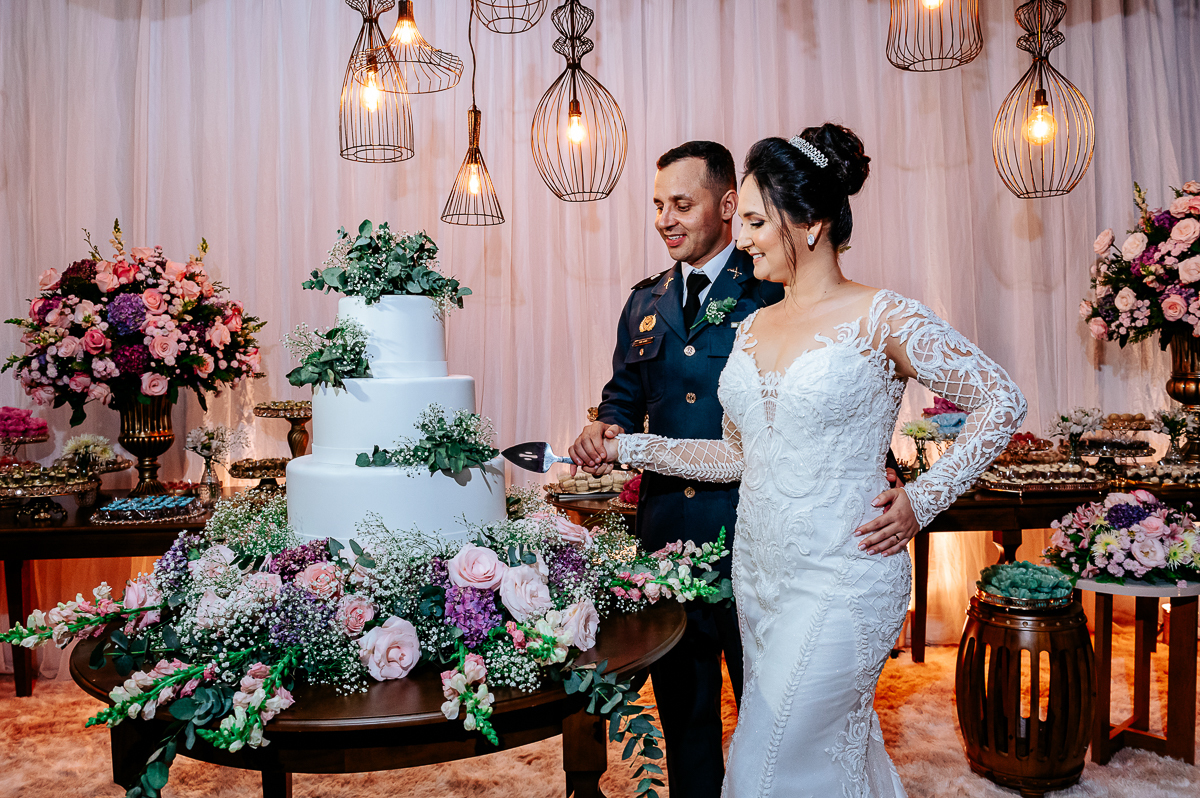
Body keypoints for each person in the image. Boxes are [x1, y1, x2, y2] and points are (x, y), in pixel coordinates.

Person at [597, 124, 1027, 797]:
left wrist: (922, 498)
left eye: (755, 221)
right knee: (826, 760)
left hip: (844, 576)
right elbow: (738, 456)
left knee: (761, 765)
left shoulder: (882, 315)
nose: (741, 239)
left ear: (813, 222)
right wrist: (628, 446)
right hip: (761, 582)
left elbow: (1001, 400)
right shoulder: (751, 325)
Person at [570, 141, 784, 798]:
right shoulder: (643, 301)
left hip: (753, 534)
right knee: (684, 712)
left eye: (681, 204)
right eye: (658, 204)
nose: (665, 218)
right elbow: (625, 396)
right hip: (667, 539)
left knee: (769, 713)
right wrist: (604, 425)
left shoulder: (774, 291)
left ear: (726, 206)